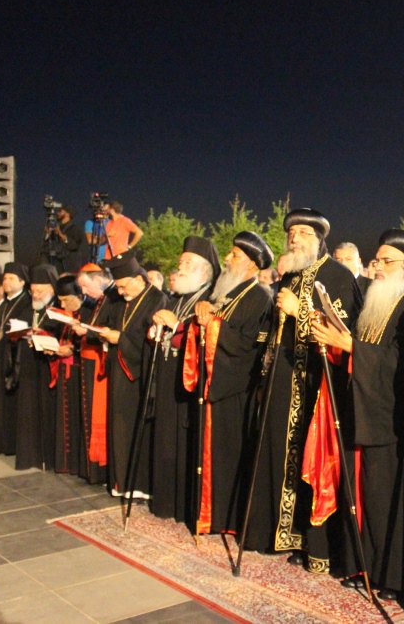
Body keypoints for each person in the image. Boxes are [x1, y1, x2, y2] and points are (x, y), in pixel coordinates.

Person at [242, 208, 361, 576]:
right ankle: (282, 532)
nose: (295, 238)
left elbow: (341, 333)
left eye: (304, 233)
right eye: (291, 233)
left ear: (319, 239)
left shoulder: (337, 276)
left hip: (314, 385)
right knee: (278, 454)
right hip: (280, 379)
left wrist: (300, 312)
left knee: (309, 461)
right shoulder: (289, 274)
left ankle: (313, 541)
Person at [311, 228, 404, 600]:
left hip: (391, 417)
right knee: (358, 492)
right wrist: (335, 338)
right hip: (361, 406)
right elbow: (362, 344)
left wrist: (349, 346)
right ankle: (362, 564)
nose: (377, 267)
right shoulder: (375, 299)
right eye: (376, 260)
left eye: (386, 261)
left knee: (383, 498)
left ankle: (389, 575)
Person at [188, 231, 274, 535]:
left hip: (237, 388)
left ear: (252, 266)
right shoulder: (227, 292)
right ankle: (210, 513)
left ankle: (225, 518)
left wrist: (211, 324)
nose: (227, 259)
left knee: (229, 456)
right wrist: (205, 314)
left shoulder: (260, 297)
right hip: (218, 382)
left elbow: (246, 345)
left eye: (235, 256)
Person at [148, 236, 221, 524]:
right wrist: (155, 328)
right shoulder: (176, 298)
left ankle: (182, 504)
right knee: (165, 439)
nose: (179, 268)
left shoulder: (211, 299)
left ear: (204, 271)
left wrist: (176, 327)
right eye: (180, 262)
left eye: (187, 264)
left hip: (191, 383)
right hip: (168, 377)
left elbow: (207, 339)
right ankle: (164, 500)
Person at [99, 253, 166, 497]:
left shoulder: (158, 300)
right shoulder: (122, 301)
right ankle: (121, 483)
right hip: (120, 371)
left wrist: (121, 339)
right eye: (117, 286)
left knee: (137, 428)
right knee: (119, 428)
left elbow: (151, 340)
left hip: (142, 375)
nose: (120, 291)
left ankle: (139, 486)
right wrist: (107, 335)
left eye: (123, 286)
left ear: (139, 279)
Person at [73, 263, 118, 484]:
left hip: (102, 363)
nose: (83, 292)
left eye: (85, 286)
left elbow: (109, 329)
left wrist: (87, 331)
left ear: (99, 279)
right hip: (90, 360)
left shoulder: (113, 298)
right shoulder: (101, 298)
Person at [15, 264, 60, 471]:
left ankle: (49, 457)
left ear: (52, 289)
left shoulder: (58, 310)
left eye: (40, 291)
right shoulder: (27, 308)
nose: (35, 294)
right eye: (33, 290)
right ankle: (30, 455)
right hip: (28, 368)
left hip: (49, 368)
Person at [0, 263, 32, 456]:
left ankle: (11, 444)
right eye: (5, 278)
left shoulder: (26, 303)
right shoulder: (4, 304)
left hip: (13, 362)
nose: (6, 282)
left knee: (12, 402)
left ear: (22, 281)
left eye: (11, 278)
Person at [46, 275, 86, 474]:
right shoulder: (63, 315)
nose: (62, 304)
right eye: (60, 300)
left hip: (79, 373)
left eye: (65, 300)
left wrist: (73, 349)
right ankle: (64, 463)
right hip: (63, 371)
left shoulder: (86, 313)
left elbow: (87, 341)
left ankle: (75, 463)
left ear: (78, 295)